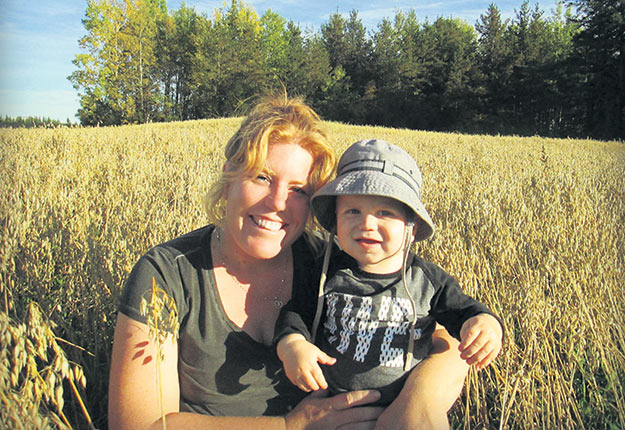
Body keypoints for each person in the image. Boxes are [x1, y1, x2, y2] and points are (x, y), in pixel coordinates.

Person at [108, 95, 472, 430]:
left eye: (298, 190)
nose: (278, 202)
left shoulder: (327, 262)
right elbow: (139, 425)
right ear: (230, 176)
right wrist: (290, 427)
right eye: (262, 177)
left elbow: (441, 334)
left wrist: (417, 401)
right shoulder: (168, 273)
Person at [275, 139, 503, 406]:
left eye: (385, 212)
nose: (367, 223)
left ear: (412, 227)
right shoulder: (326, 271)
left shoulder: (427, 281)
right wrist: (292, 345)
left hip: (400, 409)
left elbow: (464, 311)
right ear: (335, 220)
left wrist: (486, 325)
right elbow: (296, 312)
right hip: (332, 406)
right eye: (353, 211)